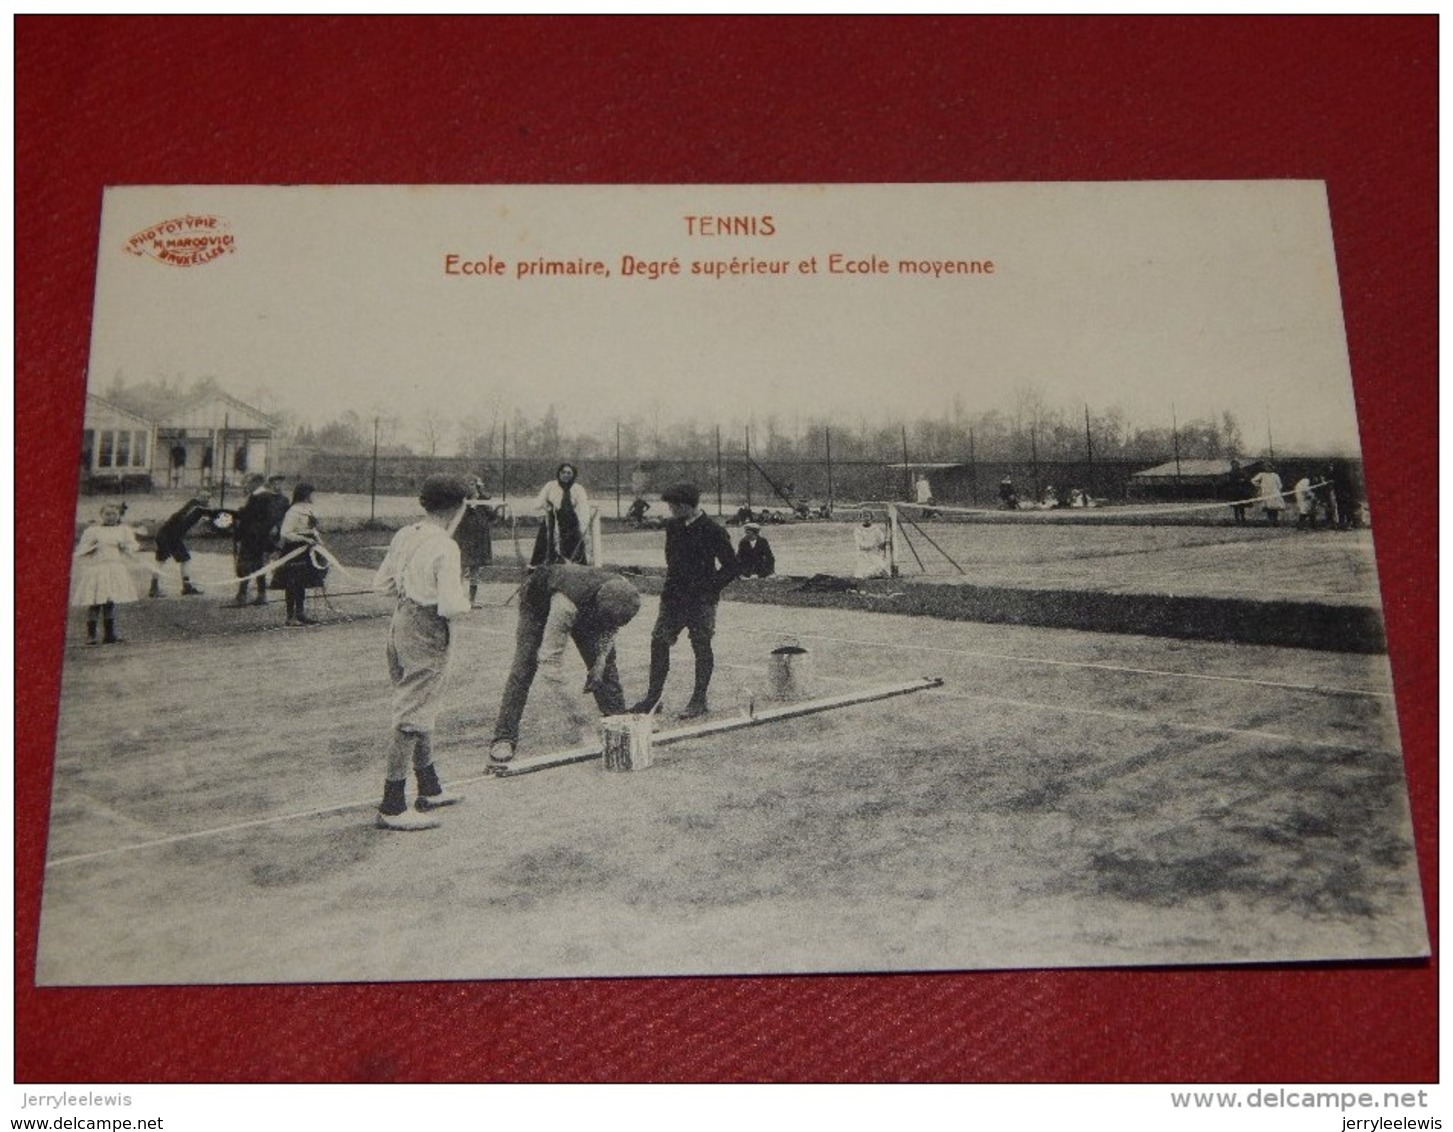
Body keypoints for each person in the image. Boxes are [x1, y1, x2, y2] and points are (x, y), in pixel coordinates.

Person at [372, 474, 473, 831]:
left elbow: (381, 585)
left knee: (421, 704)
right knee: (412, 712)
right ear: (458, 507)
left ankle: (428, 787)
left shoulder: (405, 535)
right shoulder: (446, 546)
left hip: (400, 622)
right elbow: (450, 605)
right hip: (427, 628)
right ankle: (393, 805)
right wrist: (466, 595)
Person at [488, 564, 642, 764]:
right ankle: (504, 736)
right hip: (539, 605)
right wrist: (578, 716)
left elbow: (610, 630)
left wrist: (600, 662)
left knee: (606, 669)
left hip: (584, 603)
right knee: (524, 667)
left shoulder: (624, 591)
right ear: (598, 608)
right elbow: (550, 662)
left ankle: (617, 722)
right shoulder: (566, 606)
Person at [629, 482, 738, 720]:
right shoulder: (673, 527)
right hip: (674, 598)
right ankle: (653, 699)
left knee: (701, 645)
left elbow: (731, 567)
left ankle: (699, 700)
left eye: (674, 506)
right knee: (659, 642)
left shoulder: (714, 530)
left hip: (701, 601)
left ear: (687, 506)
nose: (671, 511)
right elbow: (671, 560)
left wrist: (709, 588)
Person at [72, 503, 142, 645]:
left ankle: (109, 635)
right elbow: (81, 549)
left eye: (114, 514)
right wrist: (92, 547)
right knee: (95, 602)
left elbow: (134, 546)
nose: (111, 517)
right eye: (107, 514)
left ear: (118, 516)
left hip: (114, 569)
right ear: (101, 515)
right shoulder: (93, 530)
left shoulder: (123, 530)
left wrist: (125, 546)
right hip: (98, 569)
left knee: (110, 602)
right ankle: (91, 636)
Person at [273, 482, 326, 626]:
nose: (313, 496)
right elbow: (286, 533)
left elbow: (312, 528)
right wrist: (304, 539)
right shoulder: (293, 511)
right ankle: (290, 616)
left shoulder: (308, 509)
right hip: (294, 549)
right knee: (292, 582)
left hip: (308, 549)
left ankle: (301, 613)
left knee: (301, 582)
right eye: (311, 493)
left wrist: (318, 540)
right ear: (305, 494)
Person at [232, 473, 287, 606]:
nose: (246, 485)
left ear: (257, 483)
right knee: (257, 565)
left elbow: (253, 518)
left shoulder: (261, 497)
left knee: (245, 564)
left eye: (248, 482)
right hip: (257, 538)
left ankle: (243, 595)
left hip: (253, 538)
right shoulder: (260, 496)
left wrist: (240, 533)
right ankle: (260, 595)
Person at [149, 490, 216, 597]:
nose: (207, 499)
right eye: (205, 497)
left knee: (184, 559)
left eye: (208, 497)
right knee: (162, 560)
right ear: (199, 497)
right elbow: (204, 514)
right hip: (168, 535)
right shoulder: (196, 507)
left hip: (171, 535)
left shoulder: (195, 506)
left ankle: (185, 587)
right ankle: (155, 588)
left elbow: (199, 518)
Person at [531, 462, 590, 566]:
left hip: (570, 524)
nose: (566, 475)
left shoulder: (578, 489)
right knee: (546, 547)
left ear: (573, 475)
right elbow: (537, 504)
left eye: (569, 473)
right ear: (559, 473)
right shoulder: (550, 486)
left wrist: (582, 526)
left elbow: (583, 509)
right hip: (552, 521)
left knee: (574, 550)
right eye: (563, 472)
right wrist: (547, 505)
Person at [452, 476, 497, 607]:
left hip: (479, 539)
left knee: (475, 570)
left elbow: (493, 517)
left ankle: (472, 600)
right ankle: (457, 598)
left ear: (477, 485)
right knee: (460, 568)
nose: (469, 487)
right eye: (467, 484)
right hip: (464, 538)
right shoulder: (461, 501)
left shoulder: (484, 500)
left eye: (472, 484)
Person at [853, 512, 891, 579]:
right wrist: (874, 545)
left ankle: (876, 574)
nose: (866, 518)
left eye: (867, 516)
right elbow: (860, 544)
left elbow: (881, 541)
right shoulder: (858, 530)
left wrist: (884, 543)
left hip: (874, 553)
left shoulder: (876, 529)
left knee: (881, 566)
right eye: (864, 516)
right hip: (863, 555)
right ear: (861, 518)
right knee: (862, 574)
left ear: (871, 518)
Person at [1227, 460, 1253, 525]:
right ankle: (1237, 519)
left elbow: (1247, 479)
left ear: (1238, 465)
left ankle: (1243, 518)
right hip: (1234, 491)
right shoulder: (1231, 473)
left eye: (1236, 464)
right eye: (1233, 464)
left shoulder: (1242, 472)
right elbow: (1229, 481)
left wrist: (1244, 480)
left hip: (1241, 491)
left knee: (1242, 506)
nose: (1235, 466)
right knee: (1235, 506)